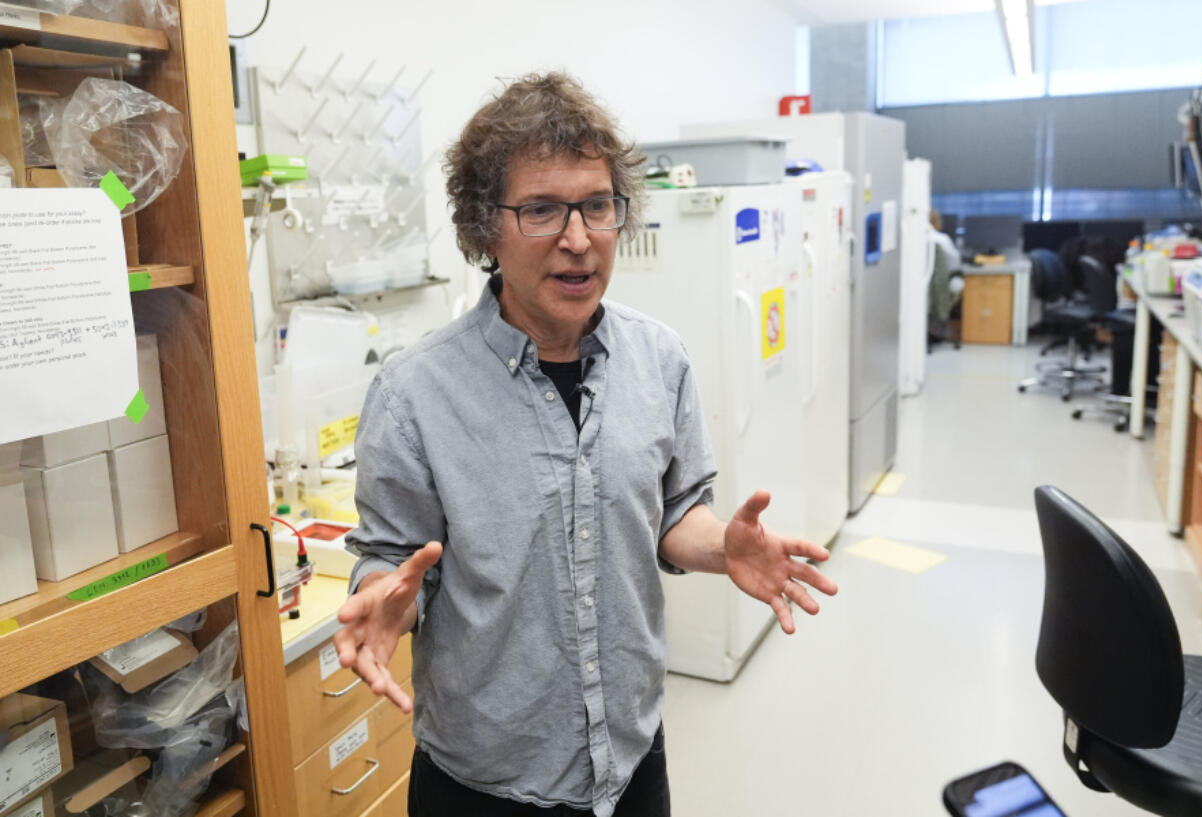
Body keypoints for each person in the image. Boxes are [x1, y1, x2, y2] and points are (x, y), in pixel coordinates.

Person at [334, 72, 838, 817]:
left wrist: (720, 545)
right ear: (485, 228)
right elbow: (393, 563)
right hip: (483, 787)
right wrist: (381, 600)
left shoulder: (660, 359)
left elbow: (672, 514)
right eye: (541, 209)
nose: (578, 239)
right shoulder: (415, 394)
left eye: (597, 206)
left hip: (632, 766)